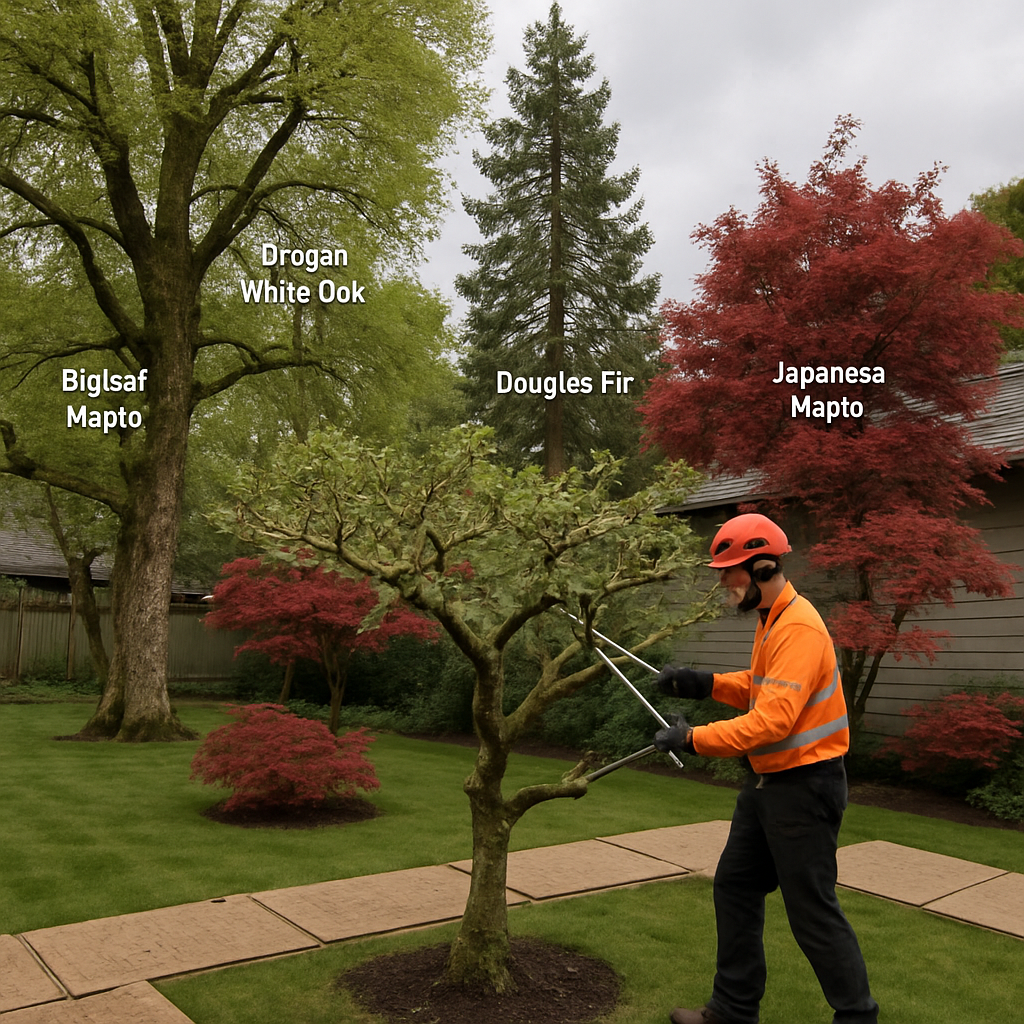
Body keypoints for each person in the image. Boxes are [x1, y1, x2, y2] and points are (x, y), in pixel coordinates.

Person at [652, 513, 879, 1024]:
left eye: (728, 573)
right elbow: (763, 684)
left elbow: (771, 721)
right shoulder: (773, 618)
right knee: (735, 886)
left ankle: (859, 1018)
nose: (722, 584)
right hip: (770, 786)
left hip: (805, 788)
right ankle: (732, 1011)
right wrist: (704, 682)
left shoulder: (797, 627)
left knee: (812, 913)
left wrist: (692, 739)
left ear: (762, 566)